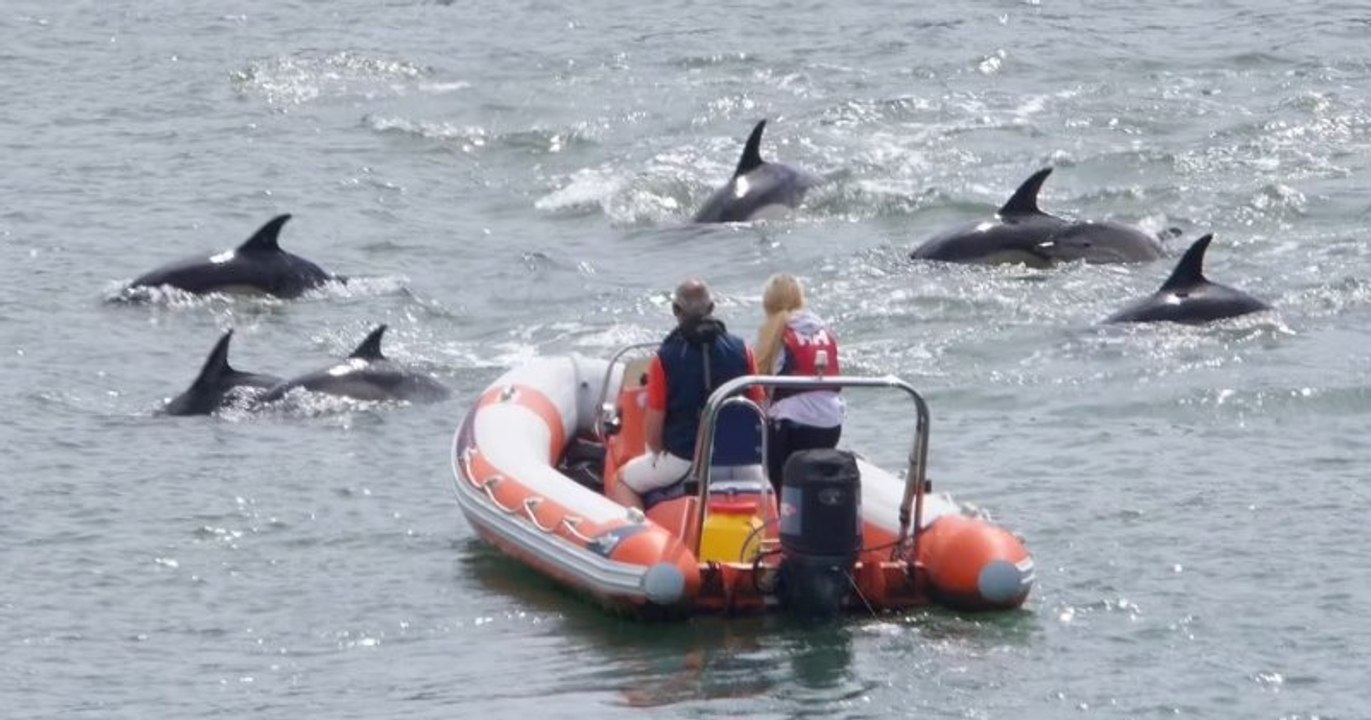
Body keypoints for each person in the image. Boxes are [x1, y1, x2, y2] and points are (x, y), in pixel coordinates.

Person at [610, 279, 766, 510]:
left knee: (620, 481)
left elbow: (653, 434)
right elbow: (759, 408)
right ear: (712, 308)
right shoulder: (743, 350)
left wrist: (658, 456)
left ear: (676, 310)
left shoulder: (665, 358)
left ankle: (640, 529)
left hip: (684, 461)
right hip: (740, 459)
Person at [754, 273, 845, 491]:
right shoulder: (824, 330)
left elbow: (760, 383)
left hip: (792, 425)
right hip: (832, 422)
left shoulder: (776, 334)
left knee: (779, 481)